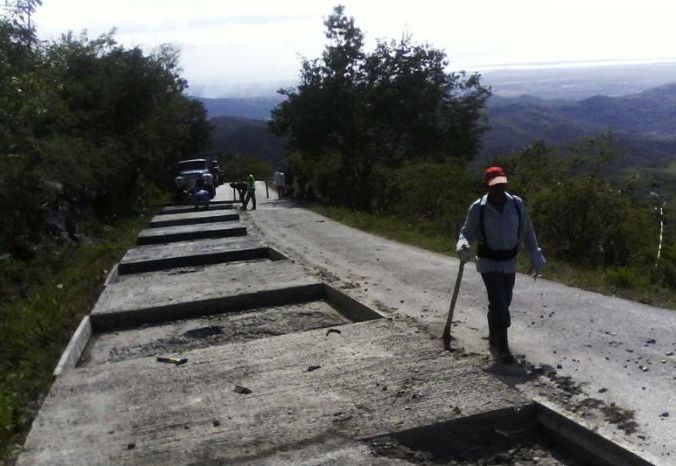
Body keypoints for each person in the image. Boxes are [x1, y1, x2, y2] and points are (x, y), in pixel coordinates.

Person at [456, 166, 545, 364]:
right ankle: (503, 348)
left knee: (504, 301)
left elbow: (527, 231)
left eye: (502, 184)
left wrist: (535, 253)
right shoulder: (478, 208)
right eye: (495, 185)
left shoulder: (516, 204)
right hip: (489, 262)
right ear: (487, 186)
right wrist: (462, 245)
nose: (499, 188)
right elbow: (466, 232)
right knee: (499, 302)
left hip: (509, 262)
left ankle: (494, 333)